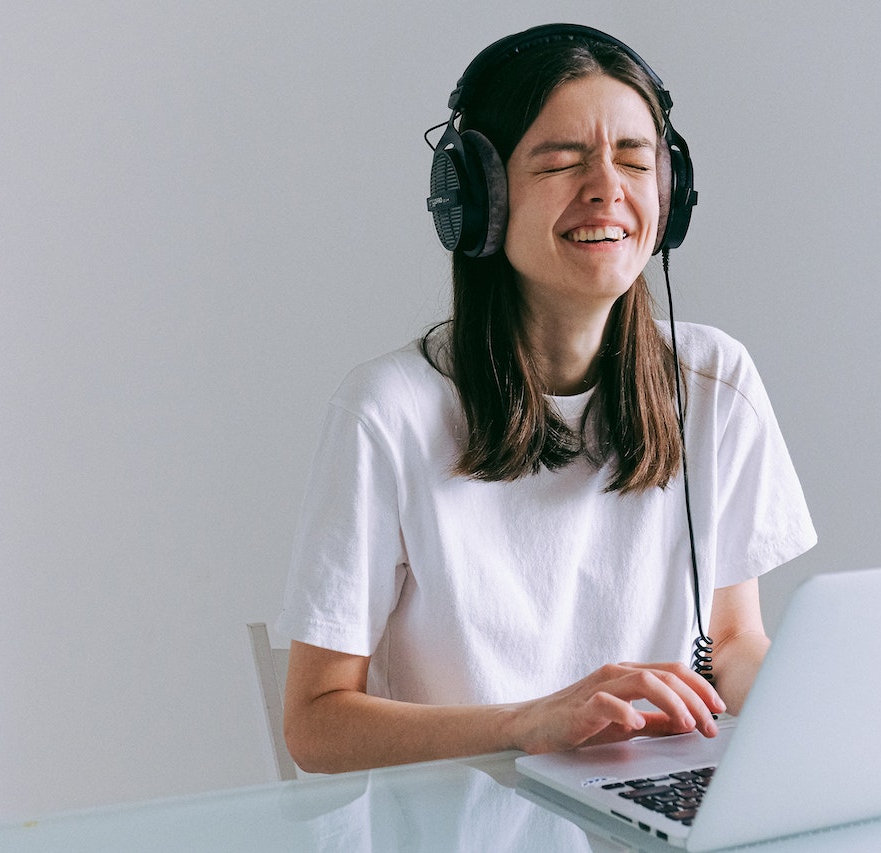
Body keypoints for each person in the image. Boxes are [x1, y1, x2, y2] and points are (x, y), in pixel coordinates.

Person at [276, 24, 816, 774]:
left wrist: (811, 713)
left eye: (634, 159)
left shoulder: (713, 379)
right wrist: (529, 721)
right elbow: (315, 725)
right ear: (477, 199)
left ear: (669, 191)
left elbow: (730, 641)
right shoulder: (387, 412)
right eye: (562, 161)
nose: (608, 189)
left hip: (651, 817)